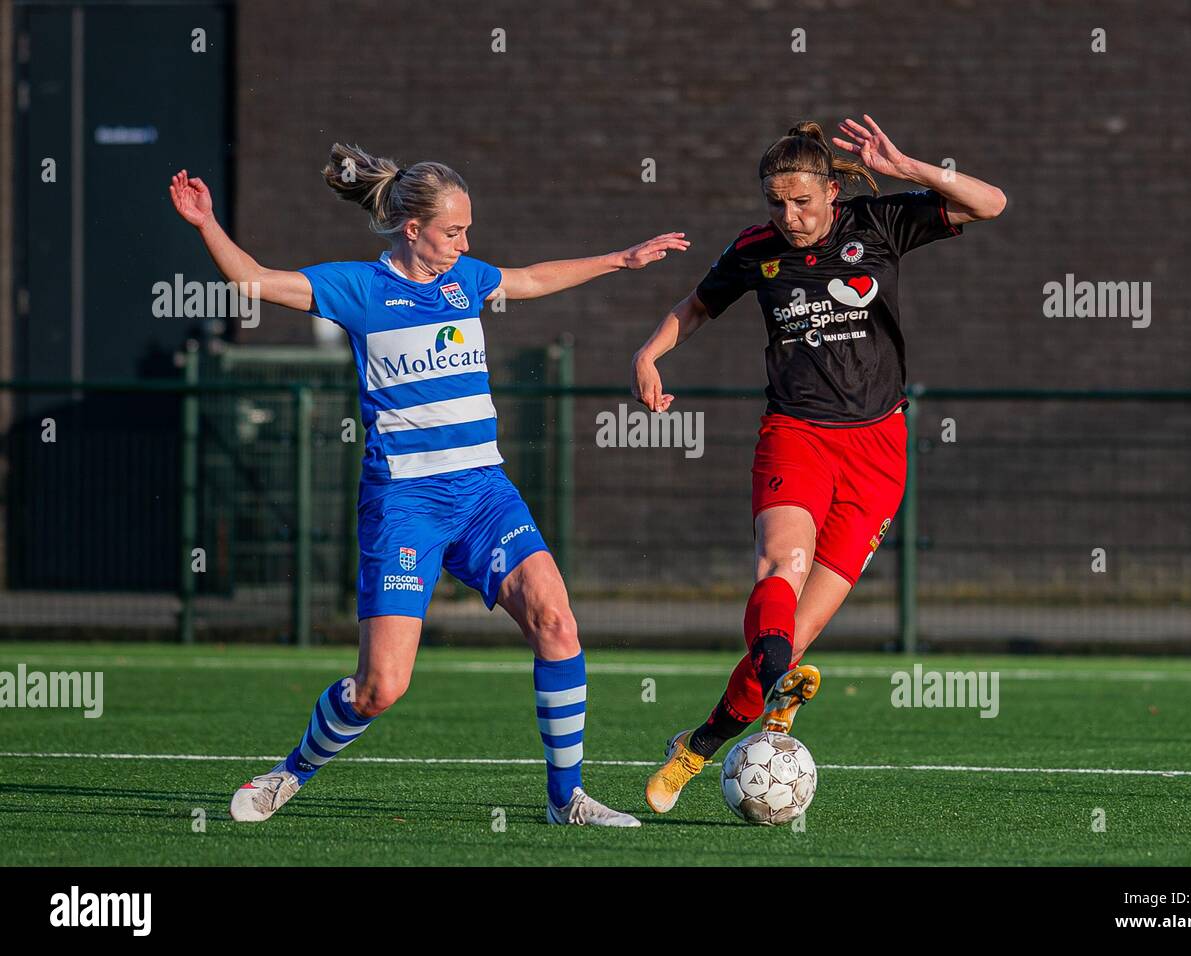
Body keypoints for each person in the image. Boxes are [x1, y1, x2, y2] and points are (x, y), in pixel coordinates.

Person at [169, 143, 690, 826]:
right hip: (405, 504)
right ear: (412, 229)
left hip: (482, 493)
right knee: (380, 689)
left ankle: (567, 800)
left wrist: (619, 260)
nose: (464, 244)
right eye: (452, 231)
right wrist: (208, 224)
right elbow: (255, 281)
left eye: (468, 230)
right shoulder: (359, 289)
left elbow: (531, 278)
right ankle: (288, 774)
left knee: (557, 623)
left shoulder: (464, 280)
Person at [631, 116, 1005, 812]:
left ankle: (700, 744)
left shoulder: (882, 224)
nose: (789, 215)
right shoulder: (754, 250)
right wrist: (649, 353)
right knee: (782, 571)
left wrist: (910, 167)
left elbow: (992, 204)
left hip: (878, 453)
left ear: (833, 191)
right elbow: (696, 307)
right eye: (776, 202)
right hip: (796, 435)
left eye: (802, 200)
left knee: (790, 639)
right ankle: (767, 699)